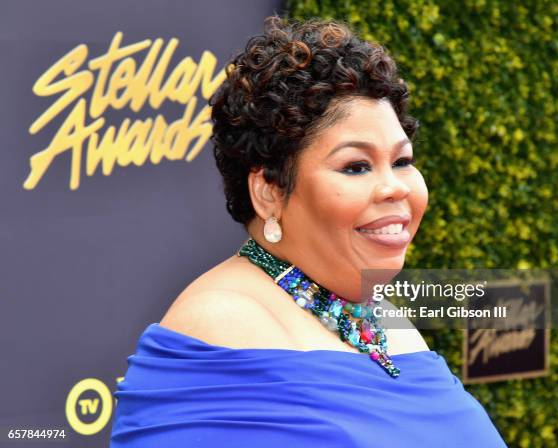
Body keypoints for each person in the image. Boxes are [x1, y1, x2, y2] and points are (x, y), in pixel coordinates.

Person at [110, 15, 507, 447]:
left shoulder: (379, 314)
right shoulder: (219, 322)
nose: (395, 187)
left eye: (402, 161)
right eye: (356, 166)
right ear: (268, 190)